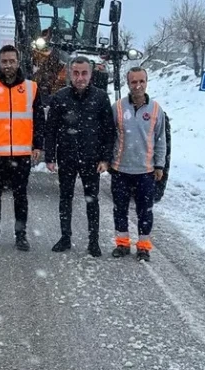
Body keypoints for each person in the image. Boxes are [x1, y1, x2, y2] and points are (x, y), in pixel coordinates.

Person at [0, 45, 46, 251]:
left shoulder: (31, 88)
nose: (8, 65)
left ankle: (21, 235)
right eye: (4, 61)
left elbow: (39, 119)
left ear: (18, 62)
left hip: (21, 154)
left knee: (20, 197)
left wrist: (38, 144)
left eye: (12, 61)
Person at [44, 56, 116, 257]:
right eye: (76, 73)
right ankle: (65, 237)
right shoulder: (60, 97)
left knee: (92, 200)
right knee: (65, 198)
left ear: (91, 74)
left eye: (84, 73)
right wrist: (50, 157)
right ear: (70, 74)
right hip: (66, 156)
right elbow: (51, 130)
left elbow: (108, 131)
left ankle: (94, 241)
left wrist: (105, 158)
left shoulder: (101, 98)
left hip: (91, 159)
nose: (80, 77)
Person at [109, 66, 167, 261]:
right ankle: (122, 244)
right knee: (120, 209)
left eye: (141, 81)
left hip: (146, 171)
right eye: (134, 82)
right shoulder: (117, 107)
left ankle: (143, 247)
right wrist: (107, 160)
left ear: (146, 82)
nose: (138, 85)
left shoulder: (156, 110)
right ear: (128, 84)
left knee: (145, 211)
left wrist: (159, 166)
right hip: (120, 169)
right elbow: (109, 136)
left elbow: (161, 140)